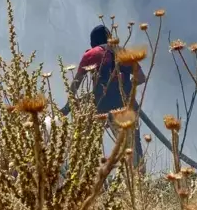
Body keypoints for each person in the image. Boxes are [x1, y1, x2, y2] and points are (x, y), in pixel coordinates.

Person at [61, 25, 146, 170]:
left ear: (92, 42)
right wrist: (126, 88)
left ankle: (81, 176)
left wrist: (66, 108)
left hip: (99, 106)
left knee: (84, 146)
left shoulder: (90, 54)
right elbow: (141, 78)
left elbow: (76, 84)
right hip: (124, 107)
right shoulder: (122, 52)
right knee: (132, 149)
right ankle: (139, 182)